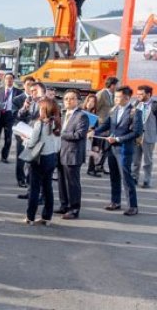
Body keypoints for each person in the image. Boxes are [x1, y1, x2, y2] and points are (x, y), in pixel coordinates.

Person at [92, 86, 143, 216]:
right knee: (114, 176)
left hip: (124, 148)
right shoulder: (114, 109)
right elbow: (106, 125)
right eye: (115, 96)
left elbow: (136, 132)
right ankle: (115, 202)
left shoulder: (135, 112)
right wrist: (94, 131)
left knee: (126, 177)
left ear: (126, 98)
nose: (115, 99)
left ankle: (133, 206)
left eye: (118, 97)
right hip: (111, 148)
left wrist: (119, 139)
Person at [22, 98, 61, 225]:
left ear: (44, 109)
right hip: (52, 157)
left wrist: (24, 139)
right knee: (47, 188)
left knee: (34, 188)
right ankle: (47, 217)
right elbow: (58, 144)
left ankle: (30, 217)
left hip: (39, 158)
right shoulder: (57, 123)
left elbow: (32, 142)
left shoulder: (40, 124)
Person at [55, 90, 89, 220]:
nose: (68, 101)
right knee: (61, 181)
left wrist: (60, 134)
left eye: (72, 98)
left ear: (78, 101)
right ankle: (64, 205)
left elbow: (79, 135)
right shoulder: (63, 114)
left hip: (72, 153)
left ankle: (74, 209)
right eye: (66, 99)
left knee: (72, 183)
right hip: (60, 151)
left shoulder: (81, 116)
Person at [0, 73, 22, 163]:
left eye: (11, 79)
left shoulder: (18, 92)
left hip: (10, 116)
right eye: (7, 78)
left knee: (8, 138)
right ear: (4, 80)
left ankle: (4, 157)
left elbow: (20, 105)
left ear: (13, 80)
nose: (9, 80)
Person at [12, 77, 37, 189]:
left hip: (34, 132)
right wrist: (24, 107)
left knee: (32, 156)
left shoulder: (38, 99)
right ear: (24, 85)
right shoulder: (17, 99)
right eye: (28, 84)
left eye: (32, 84)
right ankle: (21, 178)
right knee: (21, 156)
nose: (30, 86)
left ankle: (29, 178)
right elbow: (14, 116)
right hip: (22, 131)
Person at [131, 86, 156, 188]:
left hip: (149, 136)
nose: (138, 96)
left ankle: (147, 180)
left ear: (148, 94)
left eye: (141, 94)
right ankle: (134, 178)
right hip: (137, 136)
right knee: (135, 160)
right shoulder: (136, 103)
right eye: (138, 94)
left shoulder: (154, 105)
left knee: (148, 161)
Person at [82, 94, 102, 177]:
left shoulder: (94, 115)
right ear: (86, 102)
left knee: (96, 148)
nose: (90, 103)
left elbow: (96, 129)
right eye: (89, 101)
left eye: (93, 102)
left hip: (92, 136)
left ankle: (91, 169)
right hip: (83, 136)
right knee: (88, 152)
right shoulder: (80, 112)